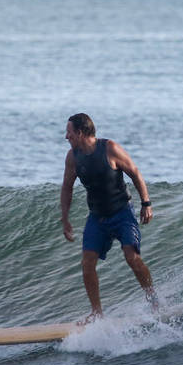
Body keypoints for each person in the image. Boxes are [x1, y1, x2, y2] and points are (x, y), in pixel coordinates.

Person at [60, 112, 156, 320]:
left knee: (132, 258)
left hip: (122, 212)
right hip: (97, 217)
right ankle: (97, 312)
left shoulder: (110, 148)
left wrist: (146, 203)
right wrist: (65, 219)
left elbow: (135, 173)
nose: (66, 137)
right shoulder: (72, 157)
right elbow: (67, 187)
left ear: (81, 132)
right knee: (87, 264)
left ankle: (153, 299)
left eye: (69, 132)